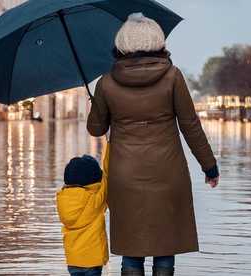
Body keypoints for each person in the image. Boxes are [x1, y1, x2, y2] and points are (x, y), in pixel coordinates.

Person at [87, 13, 219, 276]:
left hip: (124, 176)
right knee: (164, 248)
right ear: (158, 40)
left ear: (122, 43)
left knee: (131, 251)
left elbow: (96, 128)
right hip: (168, 173)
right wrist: (210, 167)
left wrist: (96, 104)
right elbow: (190, 126)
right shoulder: (173, 77)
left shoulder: (106, 83)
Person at [56, 144, 110, 276]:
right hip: (92, 261)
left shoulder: (62, 199)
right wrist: (110, 144)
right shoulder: (95, 201)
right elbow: (108, 175)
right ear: (93, 181)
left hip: (73, 261)